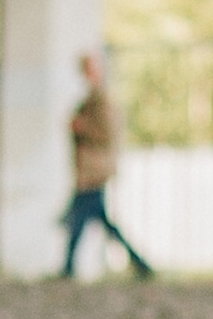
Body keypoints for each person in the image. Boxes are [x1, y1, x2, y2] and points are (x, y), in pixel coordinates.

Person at [62, 51, 153, 280]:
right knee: (92, 218)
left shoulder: (102, 100)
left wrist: (81, 128)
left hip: (95, 169)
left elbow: (106, 133)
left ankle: (68, 267)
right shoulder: (92, 98)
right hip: (91, 168)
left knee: (81, 217)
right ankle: (140, 264)